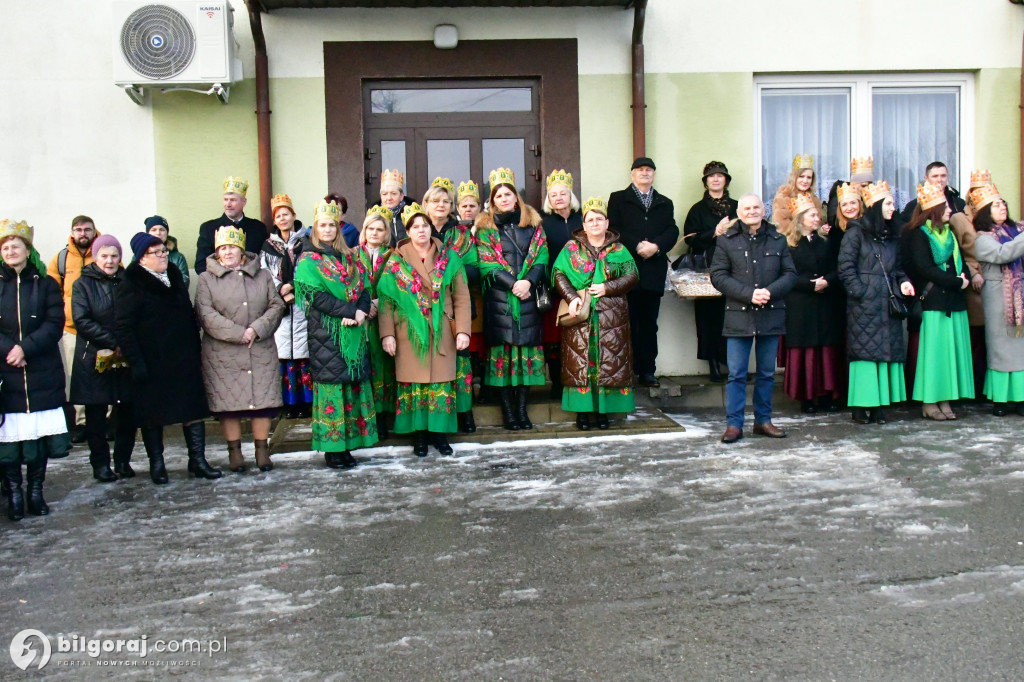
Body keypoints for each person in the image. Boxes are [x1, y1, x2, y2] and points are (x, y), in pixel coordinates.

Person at [114, 233, 223, 483]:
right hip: (152, 359)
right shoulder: (131, 281)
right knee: (153, 414)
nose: (163, 255)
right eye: (157, 253)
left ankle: (197, 460)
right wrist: (136, 362)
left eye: (164, 251)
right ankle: (157, 464)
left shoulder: (173, 273)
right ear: (142, 258)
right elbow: (123, 327)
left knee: (192, 410)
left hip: (183, 355)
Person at [378, 203, 471, 456]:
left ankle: (440, 436)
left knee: (440, 382)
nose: (421, 230)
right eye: (415, 226)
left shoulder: (449, 257)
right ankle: (419, 438)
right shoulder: (396, 260)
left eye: (425, 225)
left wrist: (463, 330)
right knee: (415, 384)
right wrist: (387, 334)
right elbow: (386, 300)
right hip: (409, 333)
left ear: (431, 228)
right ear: (407, 231)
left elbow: (462, 296)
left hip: (442, 330)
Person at [294, 199, 377, 469]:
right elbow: (316, 297)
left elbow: (364, 288)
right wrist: (349, 311)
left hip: (355, 333)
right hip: (327, 334)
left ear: (338, 228)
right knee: (332, 388)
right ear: (314, 229)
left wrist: (362, 310)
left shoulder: (351, 256)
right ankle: (333, 449)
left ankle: (349, 445)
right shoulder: (308, 259)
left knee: (351, 386)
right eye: (322, 225)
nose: (327, 229)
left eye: (332, 225)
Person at [196, 226, 285, 473]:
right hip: (223, 353)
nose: (227, 252)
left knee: (262, 402)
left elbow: (276, 305)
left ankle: (262, 450)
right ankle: (234, 452)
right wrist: (238, 333)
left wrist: (256, 328)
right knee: (229, 406)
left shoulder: (263, 275)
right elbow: (205, 313)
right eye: (222, 248)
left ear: (242, 250)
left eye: (232, 247)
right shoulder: (206, 279)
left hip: (259, 347)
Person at [709, 193, 797, 443]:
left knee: (767, 373)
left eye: (756, 207)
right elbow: (718, 276)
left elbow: (790, 274)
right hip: (739, 316)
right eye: (746, 208)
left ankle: (763, 421)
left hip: (771, 314)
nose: (751, 211)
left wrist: (770, 292)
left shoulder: (778, 240)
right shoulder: (726, 241)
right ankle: (734, 425)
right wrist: (749, 294)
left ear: (763, 210)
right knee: (736, 374)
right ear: (739, 212)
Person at [552, 197, 638, 430]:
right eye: (590, 220)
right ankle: (582, 413)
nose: (595, 223)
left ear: (607, 222)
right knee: (581, 361)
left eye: (599, 219)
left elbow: (632, 276)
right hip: (581, 313)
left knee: (607, 361)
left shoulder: (619, 249)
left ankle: (603, 412)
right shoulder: (571, 248)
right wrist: (572, 297)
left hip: (612, 316)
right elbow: (558, 274)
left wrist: (607, 287)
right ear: (584, 223)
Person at [0, 220, 66, 521]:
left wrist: (26, 347)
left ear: (28, 250)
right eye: (5, 246)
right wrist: (10, 351)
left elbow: (54, 324)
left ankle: (35, 492)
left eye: (16, 245)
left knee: (38, 441)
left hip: (40, 369)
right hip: (7, 372)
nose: (10, 250)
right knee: (9, 444)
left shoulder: (46, 284)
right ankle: (14, 494)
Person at [476, 168, 549, 430]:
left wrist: (528, 281)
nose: (504, 199)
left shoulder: (533, 224)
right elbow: (487, 264)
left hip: (527, 298)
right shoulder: (484, 229)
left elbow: (541, 257)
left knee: (523, 359)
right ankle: (508, 412)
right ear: (492, 201)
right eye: (498, 196)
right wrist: (513, 283)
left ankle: (522, 410)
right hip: (500, 301)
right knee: (502, 361)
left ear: (516, 197)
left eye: (508, 194)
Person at [838, 182, 914, 424]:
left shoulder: (892, 236)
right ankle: (861, 407)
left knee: (885, 352)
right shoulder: (855, 233)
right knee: (865, 355)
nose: (894, 208)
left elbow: (898, 268)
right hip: (865, 303)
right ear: (877, 206)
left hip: (887, 301)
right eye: (889, 203)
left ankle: (880, 406)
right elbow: (846, 268)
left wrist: (903, 282)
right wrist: (860, 292)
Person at [904, 181, 974, 420]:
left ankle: (945, 399)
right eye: (944, 207)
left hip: (954, 302)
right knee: (934, 355)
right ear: (933, 211)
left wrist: (964, 276)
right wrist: (956, 282)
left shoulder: (950, 234)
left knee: (949, 354)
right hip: (934, 302)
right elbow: (924, 268)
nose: (949, 211)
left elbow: (959, 262)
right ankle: (930, 402)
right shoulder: (919, 235)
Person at [608, 157, 679, 388]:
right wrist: (637, 244)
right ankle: (624, 370)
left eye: (649, 170)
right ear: (632, 174)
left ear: (654, 174)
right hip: (626, 271)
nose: (644, 173)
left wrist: (656, 246)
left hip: (652, 272)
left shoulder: (664, 202)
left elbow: (672, 229)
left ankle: (647, 370)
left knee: (649, 324)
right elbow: (613, 228)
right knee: (625, 323)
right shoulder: (618, 198)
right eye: (640, 170)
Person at [70, 234, 136, 482]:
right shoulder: (82, 284)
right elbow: (82, 320)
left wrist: (126, 343)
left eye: (114, 256)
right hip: (94, 357)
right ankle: (100, 464)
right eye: (104, 256)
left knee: (126, 411)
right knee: (96, 414)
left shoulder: (128, 281)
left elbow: (134, 314)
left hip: (125, 356)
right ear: (96, 257)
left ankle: (122, 461)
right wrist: (113, 342)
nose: (109, 261)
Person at [424, 177, 480, 433]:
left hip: (456, 307)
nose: (442, 205)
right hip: (423, 310)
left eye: (447, 201)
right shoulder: (415, 230)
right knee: (431, 363)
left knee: (460, 361)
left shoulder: (462, 234)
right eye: (436, 201)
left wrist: (443, 274)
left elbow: (474, 267)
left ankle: (464, 412)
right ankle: (435, 416)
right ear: (425, 204)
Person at [781, 194, 842, 413]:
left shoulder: (825, 242)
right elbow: (785, 274)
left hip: (825, 302)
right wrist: (809, 285)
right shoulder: (788, 245)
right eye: (813, 214)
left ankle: (826, 395)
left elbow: (838, 268)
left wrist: (827, 281)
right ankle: (806, 397)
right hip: (800, 304)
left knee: (825, 350)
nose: (817, 218)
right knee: (805, 351)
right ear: (800, 218)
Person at [966, 185, 1024, 415]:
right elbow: (1004, 254)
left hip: (1018, 297)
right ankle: (1000, 400)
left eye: (1003, 203)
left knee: (1020, 349)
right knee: (1001, 348)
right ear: (984, 212)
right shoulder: (983, 238)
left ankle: (1019, 398)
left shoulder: (1014, 231)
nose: (1003, 207)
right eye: (996, 204)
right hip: (998, 299)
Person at [683, 161, 738, 383]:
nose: (716, 179)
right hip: (706, 271)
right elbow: (689, 238)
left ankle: (733, 364)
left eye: (720, 175)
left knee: (734, 316)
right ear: (705, 181)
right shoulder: (697, 209)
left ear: (726, 180)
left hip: (735, 269)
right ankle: (713, 363)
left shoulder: (737, 206)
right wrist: (714, 232)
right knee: (708, 318)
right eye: (711, 176)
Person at [47, 214, 98, 445]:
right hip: (72, 329)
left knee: (102, 373)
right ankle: (81, 422)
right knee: (76, 376)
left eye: (87, 229)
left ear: (94, 230)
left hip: (100, 329)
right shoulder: (61, 259)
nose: (83, 234)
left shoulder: (104, 252)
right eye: (78, 230)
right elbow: (50, 293)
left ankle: (104, 421)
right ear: (72, 232)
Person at [260, 193, 313, 419]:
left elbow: (309, 269)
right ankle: (289, 405)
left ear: (294, 215)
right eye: (278, 216)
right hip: (281, 306)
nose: (282, 219)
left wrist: (292, 286)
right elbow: (265, 273)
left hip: (302, 305)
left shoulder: (306, 241)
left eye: (286, 214)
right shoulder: (268, 245)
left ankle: (307, 403)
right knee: (285, 355)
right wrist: (281, 288)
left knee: (303, 353)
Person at [950, 169, 994, 397]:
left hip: (996, 279)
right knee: (974, 338)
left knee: (993, 338)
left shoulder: (995, 216)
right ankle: (973, 389)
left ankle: (990, 388)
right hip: (974, 282)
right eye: (977, 190)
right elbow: (955, 249)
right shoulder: (959, 218)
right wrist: (973, 272)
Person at [540, 169, 583, 399]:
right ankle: (557, 383)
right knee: (553, 338)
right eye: (553, 194)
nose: (558, 198)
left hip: (580, 288)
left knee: (576, 336)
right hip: (552, 289)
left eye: (562, 193)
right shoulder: (542, 222)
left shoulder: (583, 219)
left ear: (570, 196)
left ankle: (576, 381)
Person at [357, 207, 396, 440]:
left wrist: (378, 302)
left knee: (383, 367)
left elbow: (396, 285)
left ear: (386, 233)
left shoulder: (393, 256)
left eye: (379, 229)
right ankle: (365, 418)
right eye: (370, 228)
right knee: (364, 367)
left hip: (384, 317)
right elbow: (347, 283)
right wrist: (363, 305)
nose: (374, 232)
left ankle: (383, 419)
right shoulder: (352, 254)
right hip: (361, 319)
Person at [195, 176, 269, 275]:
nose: (228, 204)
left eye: (233, 200)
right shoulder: (208, 228)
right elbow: (201, 265)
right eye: (226, 200)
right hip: (220, 286)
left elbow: (265, 261)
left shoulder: (258, 228)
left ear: (244, 202)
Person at [771, 154, 824, 238]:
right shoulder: (784, 197)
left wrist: (822, 229)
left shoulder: (815, 200)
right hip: (791, 243)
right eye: (801, 177)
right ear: (794, 177)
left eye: (809, 177)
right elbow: (781, 226)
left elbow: (819, 223)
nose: (805, 181)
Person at [899, 161, 967, 223]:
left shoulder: (958, 203)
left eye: (943, 176)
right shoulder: (913, 206)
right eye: (935, 176)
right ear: (926, 179)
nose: (939, 180)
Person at [826, 156, 875, 231]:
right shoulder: (842, 196)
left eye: (869, 186)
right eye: (863, 186)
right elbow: (834, 221)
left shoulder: (871, 200)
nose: (867, 189)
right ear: (854, 184)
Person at [144, 215, 190, 288]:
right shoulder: (140, 256)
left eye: (162, 229)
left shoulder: (178, 258)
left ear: (167, 233)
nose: (158, 233)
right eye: (153, 230)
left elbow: (183, 284)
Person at [376, 169, 417, 247]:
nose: (389, 198)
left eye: (394, 194)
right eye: (384, 194)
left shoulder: (413, 215)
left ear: (401, 196)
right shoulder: (374, 217)